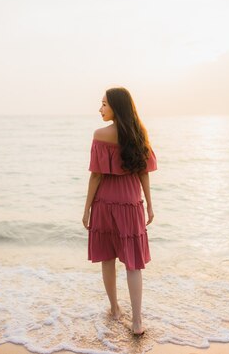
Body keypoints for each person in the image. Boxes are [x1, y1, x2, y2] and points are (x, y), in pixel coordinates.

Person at [82, 86, 157, 336]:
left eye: (104, 104)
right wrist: (149, 203)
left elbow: (96, 175)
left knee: (108, 258)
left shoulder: (100, 135)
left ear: (116, 106)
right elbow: (143, 172)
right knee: (133, 264)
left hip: (104, 203)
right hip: (131, 204)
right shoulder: (139, 134)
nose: (100, 108)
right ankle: (137, 322)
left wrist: (86, 208)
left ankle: (114, 309)